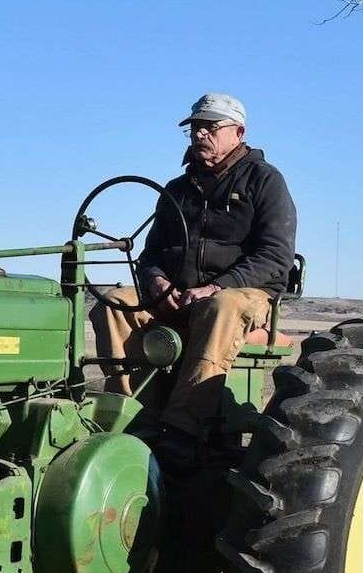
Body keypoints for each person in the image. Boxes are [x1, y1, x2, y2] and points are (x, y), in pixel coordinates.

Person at [92, 93, 298, 468]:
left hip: (244, 296)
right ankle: (133, 415)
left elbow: (275, 256)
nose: (200, 134)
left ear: (238, 132)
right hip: (179, 298)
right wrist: (157, 281)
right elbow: (150, 254)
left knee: (220, 306)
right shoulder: (177, 190)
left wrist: (218, 286)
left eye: (210, 127)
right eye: (195, 128)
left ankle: (181, 431)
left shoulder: (265, 180)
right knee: (116, 303)